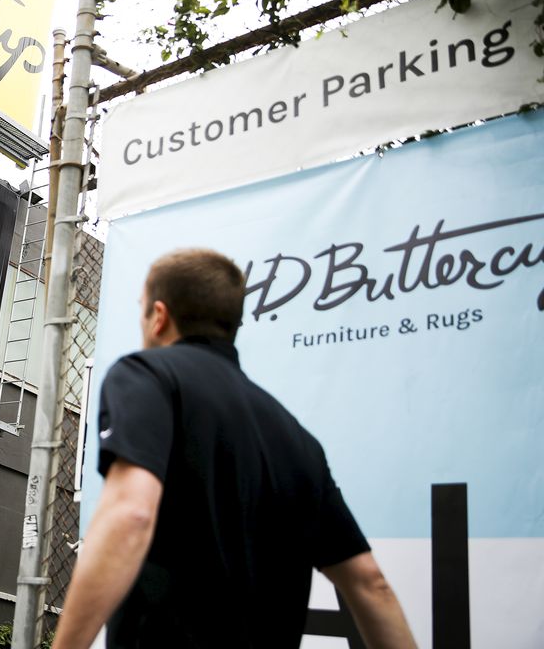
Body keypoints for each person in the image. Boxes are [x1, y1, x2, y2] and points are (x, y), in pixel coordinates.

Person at [52, 248, 417, 649]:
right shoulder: (297, 439)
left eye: (141, 310)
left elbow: (132, 513)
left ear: (159, 316)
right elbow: (370, 584)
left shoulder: (146, 375)